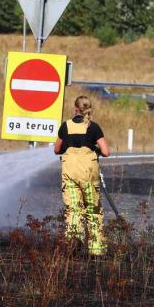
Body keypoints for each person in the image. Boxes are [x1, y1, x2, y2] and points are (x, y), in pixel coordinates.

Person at [54, 96, 110, 256]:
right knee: (92, 209)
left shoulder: (65, 126)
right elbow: (106, 152)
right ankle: (97, 250)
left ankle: (73, 246)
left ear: (75, 109)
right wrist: (94, 149)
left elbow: (56, 149)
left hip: (70, 173)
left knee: (73, 210)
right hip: (88, 175)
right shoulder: (93, 127)